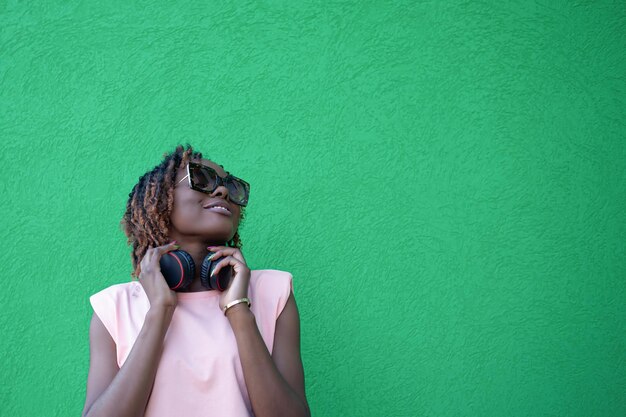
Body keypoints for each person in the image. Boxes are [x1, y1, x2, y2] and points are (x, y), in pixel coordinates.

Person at [82, 144, 310, 417]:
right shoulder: (114, 308)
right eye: (201, 179)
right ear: (161, 199)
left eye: (232, 187)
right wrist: (159, 313)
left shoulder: (274, 293)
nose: (223, 191)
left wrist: (238, 310)